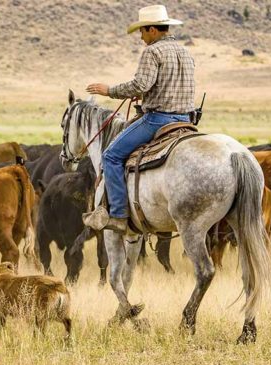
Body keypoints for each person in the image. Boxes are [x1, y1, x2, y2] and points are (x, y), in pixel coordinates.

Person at [84, 5, 196, 233]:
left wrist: (109, 90)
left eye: (142, 32)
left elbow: (141, 84)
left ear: (153, 30)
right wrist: (146, 92)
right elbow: (168, 85)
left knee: (111, 155)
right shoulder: (185, 52)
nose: (141, 38)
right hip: (185, 119)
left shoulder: (152, 52)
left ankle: (118, 214)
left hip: (158, 119)